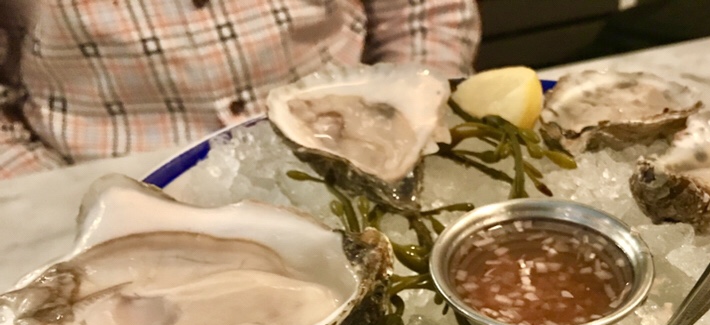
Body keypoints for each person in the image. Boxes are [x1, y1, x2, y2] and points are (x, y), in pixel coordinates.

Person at [0, 0, 481, 179]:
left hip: (359, 142)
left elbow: (424, 12)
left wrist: (406, 118)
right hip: (107, 174)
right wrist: (60, 195)